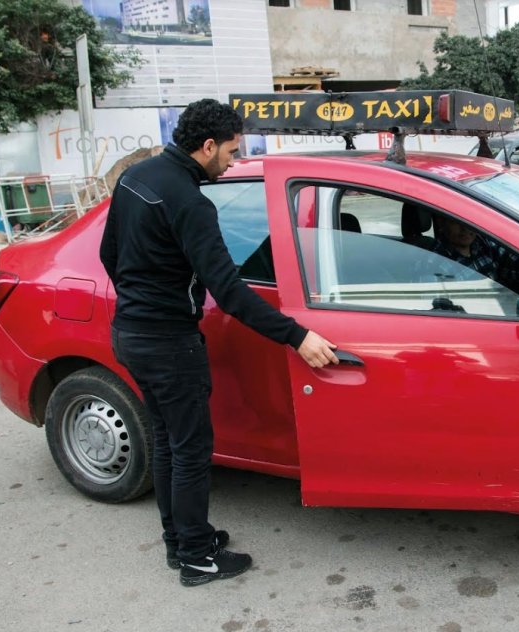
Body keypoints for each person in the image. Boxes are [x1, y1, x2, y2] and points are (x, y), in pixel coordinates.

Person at [99, 99, 339, 587]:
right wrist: (296, 336)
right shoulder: (191, 203)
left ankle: (182, 540)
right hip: (169, 344)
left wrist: (143, 299)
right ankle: (196, 559)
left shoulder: (134, 178)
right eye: (230, 151)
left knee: (167, 442)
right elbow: (229, 292)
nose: (233, 162)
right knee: (189, 450)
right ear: (207, 146)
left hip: (129, 333)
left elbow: (109, 253)